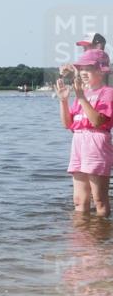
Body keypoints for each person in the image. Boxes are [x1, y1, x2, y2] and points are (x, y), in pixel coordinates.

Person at [56, 49, 112, 217]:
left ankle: (101, 237)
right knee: (79, 200)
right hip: (78, 141)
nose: (83, 73)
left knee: (100, 199)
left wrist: (80, 96)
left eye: (88, 68)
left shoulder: (107, 93)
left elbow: (97, 122)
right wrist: (64, 100)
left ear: (101, 71)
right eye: (81, 69)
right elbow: (68, 124)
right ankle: (81, 238)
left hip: (97, 142)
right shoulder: (83, 94)